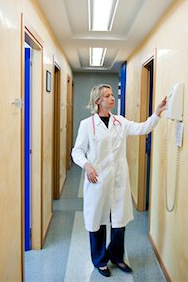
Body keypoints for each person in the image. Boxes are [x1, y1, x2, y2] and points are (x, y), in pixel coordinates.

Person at [71, 84, 167, 277]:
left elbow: (143, 128)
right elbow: (77, 151)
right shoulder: (86, 125)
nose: (112, 98)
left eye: (112, 95)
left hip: (118, 181)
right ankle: (100, 261)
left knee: (118, 222)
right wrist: (87, 165)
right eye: (107, 96)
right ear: (98, 101)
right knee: (97, 222)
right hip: (98, 181)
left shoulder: (119, 122)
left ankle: (116, 257)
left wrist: (157, 113)